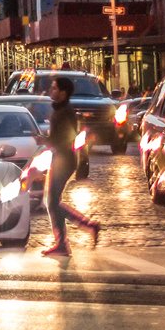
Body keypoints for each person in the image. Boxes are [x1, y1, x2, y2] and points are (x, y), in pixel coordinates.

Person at [41, 76, 102, 257]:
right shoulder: (61, 110)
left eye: (54, 88)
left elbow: (63, 139)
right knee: (52, 201)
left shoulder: (64, 112)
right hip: (61, 159)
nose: (51, 91)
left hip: (64, 160)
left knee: (52, 201)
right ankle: (68, 238)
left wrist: (43, 139)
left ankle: (76, 233)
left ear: (63, 92)